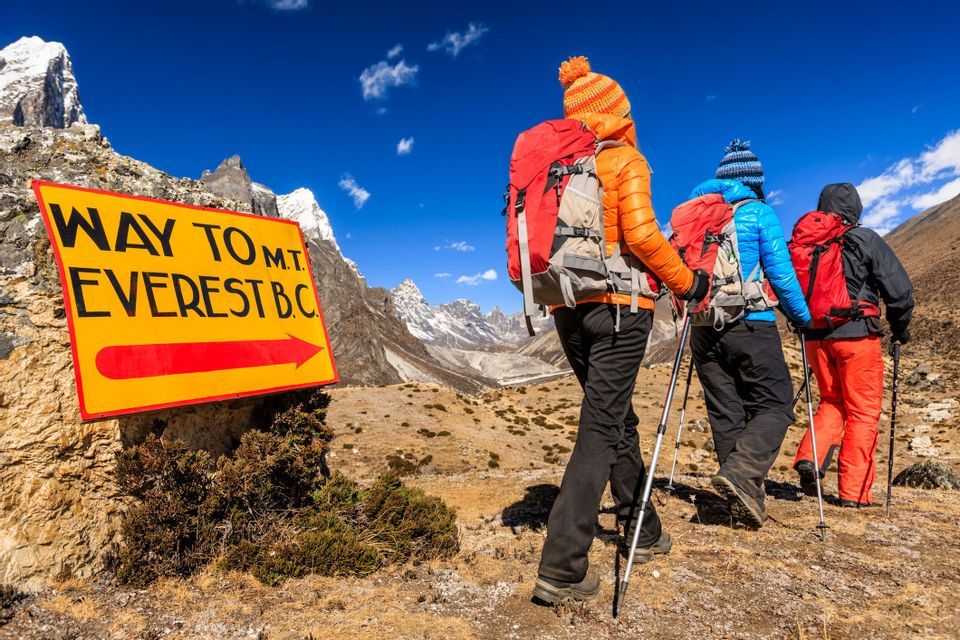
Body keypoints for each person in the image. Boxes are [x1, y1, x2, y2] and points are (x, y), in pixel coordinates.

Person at [533, 56, 709, 604]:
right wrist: (689, 284)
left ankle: (642, 529)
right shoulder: (624, 161)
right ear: (616, 114)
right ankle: (563, 565)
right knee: (602, 423)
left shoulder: (557, 169)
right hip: (619, 307)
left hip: (567, 310)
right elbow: (642, 236)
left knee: (614, 417)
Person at [686, 140, 811, 528]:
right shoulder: (758, 213)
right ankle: (741, 475)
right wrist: (801, 318)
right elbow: (782, 275)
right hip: (749, 320)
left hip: (703, 325)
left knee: (726, 411)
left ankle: (744, 500)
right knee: (775, 403)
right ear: (754, 181)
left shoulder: (693, 214)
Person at [793, 183, 914, 507]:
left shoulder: (808, 242)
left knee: (832, 401)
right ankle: (854, 493)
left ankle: (810, 456)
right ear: (855, 210)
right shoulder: (864, 239)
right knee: (862, 412)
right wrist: (900, 328)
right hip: (857, 337)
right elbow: (899, 290)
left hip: (817, 338)